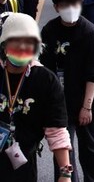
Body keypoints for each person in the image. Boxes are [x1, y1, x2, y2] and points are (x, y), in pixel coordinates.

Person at [40, 0, 94, 182]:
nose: (70, 8)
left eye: (75, 3)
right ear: (56, 7)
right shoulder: (50, 30)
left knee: (90, 151)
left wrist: (87, 107)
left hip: (88, 100)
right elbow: (45, 68)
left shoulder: (91, 34)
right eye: (65, 4)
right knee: (62, 149)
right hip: (60, 102)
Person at [0, 13, 74, 181]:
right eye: (16, 41)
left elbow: (57, 130)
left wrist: (65, 173)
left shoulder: (46, 80)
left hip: (23, 159)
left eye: (29, 42)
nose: (23, 47)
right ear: (4, 45)